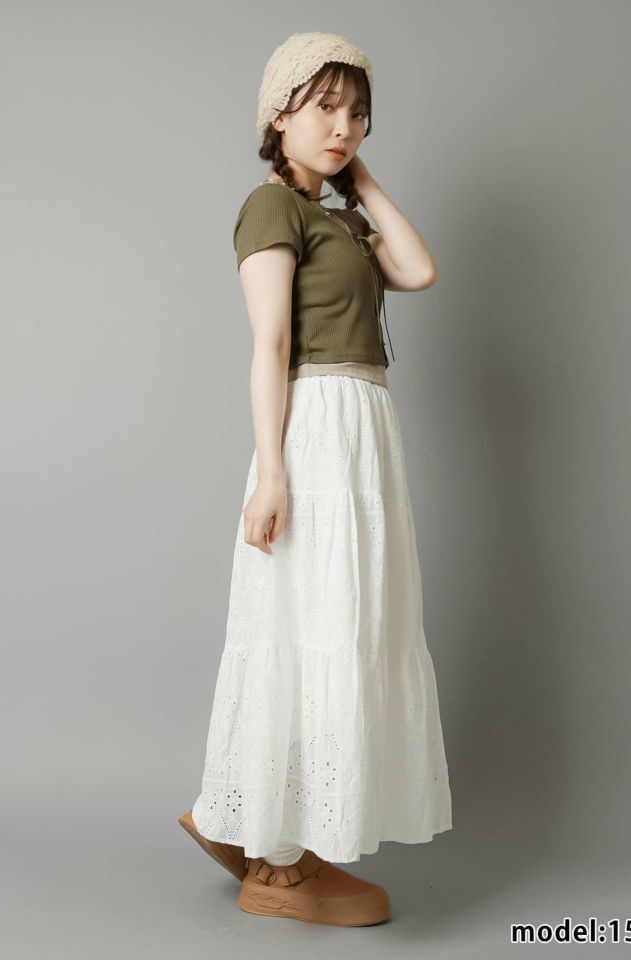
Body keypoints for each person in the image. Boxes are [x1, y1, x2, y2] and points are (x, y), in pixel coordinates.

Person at [179, 31, 452, 926]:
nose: (345, 126)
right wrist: (272, 474)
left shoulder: (340, 219)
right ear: (279, 112)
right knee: (307, 626)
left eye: (358, 114)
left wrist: (356, 178)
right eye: (326, 107)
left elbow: (419, 270)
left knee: (349, 620)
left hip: (364, 433)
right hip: (315, 433)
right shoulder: (271, 208)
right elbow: (269, 348)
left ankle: (261, 820)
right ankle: (274, 857)